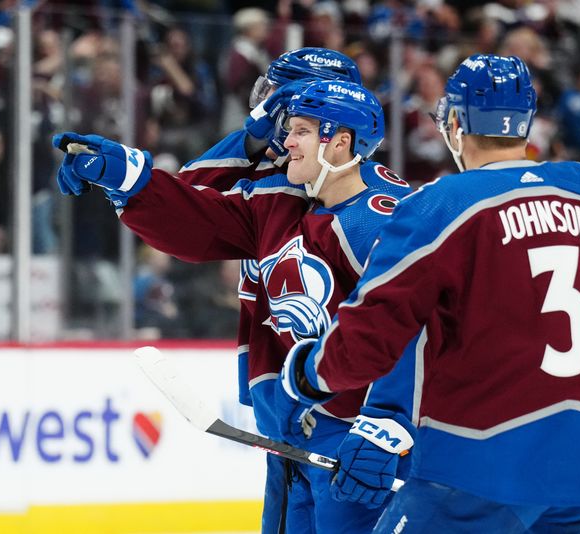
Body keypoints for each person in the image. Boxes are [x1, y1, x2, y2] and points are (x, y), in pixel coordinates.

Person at [275, 54, 580, 533]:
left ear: (454, 122)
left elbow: (373, 331)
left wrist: (308, 374)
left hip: (479, 468)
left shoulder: (441, 205)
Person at [52, 79, 418, 533]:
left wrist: (387, 426)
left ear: (340, 141)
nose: (283, 141)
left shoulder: (376, 218)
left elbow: (420, 327)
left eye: (298, 129)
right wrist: (126, 177)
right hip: (296, 434)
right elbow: (195, 214)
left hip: (360, 441)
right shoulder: (281, 201)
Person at [174, 47, 412, 532]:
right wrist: (252, 135)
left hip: (350, 429)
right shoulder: (277, 180)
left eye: (283, 104)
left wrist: (390, 424)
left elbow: (415, 322)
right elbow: (185, 210)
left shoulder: (365, 206)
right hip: (290, 420)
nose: (270, 115)